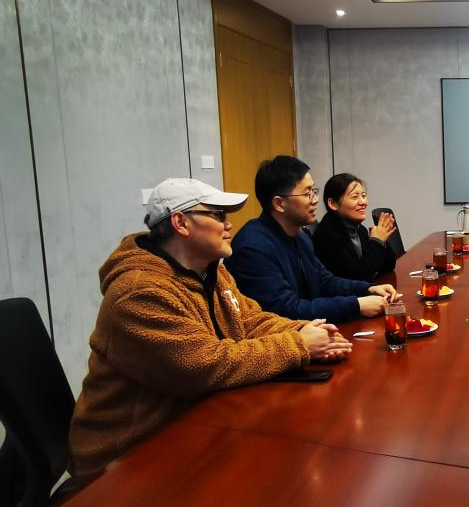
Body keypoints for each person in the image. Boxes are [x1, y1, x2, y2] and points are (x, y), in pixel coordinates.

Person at [69, 178, 352, 477]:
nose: (228, 225)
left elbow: (250, 320)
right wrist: (299, 345)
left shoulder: (210, 270)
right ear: (181, 223)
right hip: (127, 457)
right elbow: (202, 365)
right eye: (217, 215)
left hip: (192, 427)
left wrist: (306, 329)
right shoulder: (139, 292)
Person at [225, 156, 398, 322]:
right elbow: (287, 310)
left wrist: (368, 289)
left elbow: (324, 281)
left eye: (314, 191)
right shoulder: (253, 248)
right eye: (307, 193)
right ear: (279, 203)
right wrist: (356, 305)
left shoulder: (300, 236)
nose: (315, 200)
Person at [313, 172, 397, 282]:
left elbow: (387, 266)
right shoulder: (327, 235)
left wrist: (382, 240)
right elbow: (360, 276)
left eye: (363, 196)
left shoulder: (359, 229)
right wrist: (377, 240)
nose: (363, 202)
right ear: (333, 204)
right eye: (354, 197)